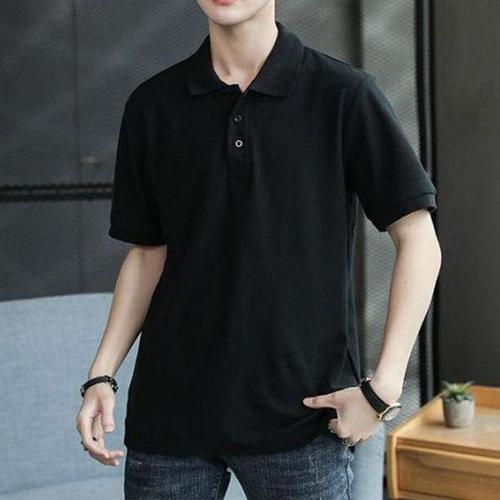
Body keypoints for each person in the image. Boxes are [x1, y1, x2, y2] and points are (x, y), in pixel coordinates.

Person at [75, 1, 442, 498]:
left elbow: (419, 241)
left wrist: (383, 389)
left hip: (302, 419)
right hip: (170, 416)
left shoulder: (343, 95)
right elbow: (147, 254)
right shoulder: (152, 104)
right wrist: (101, 375)